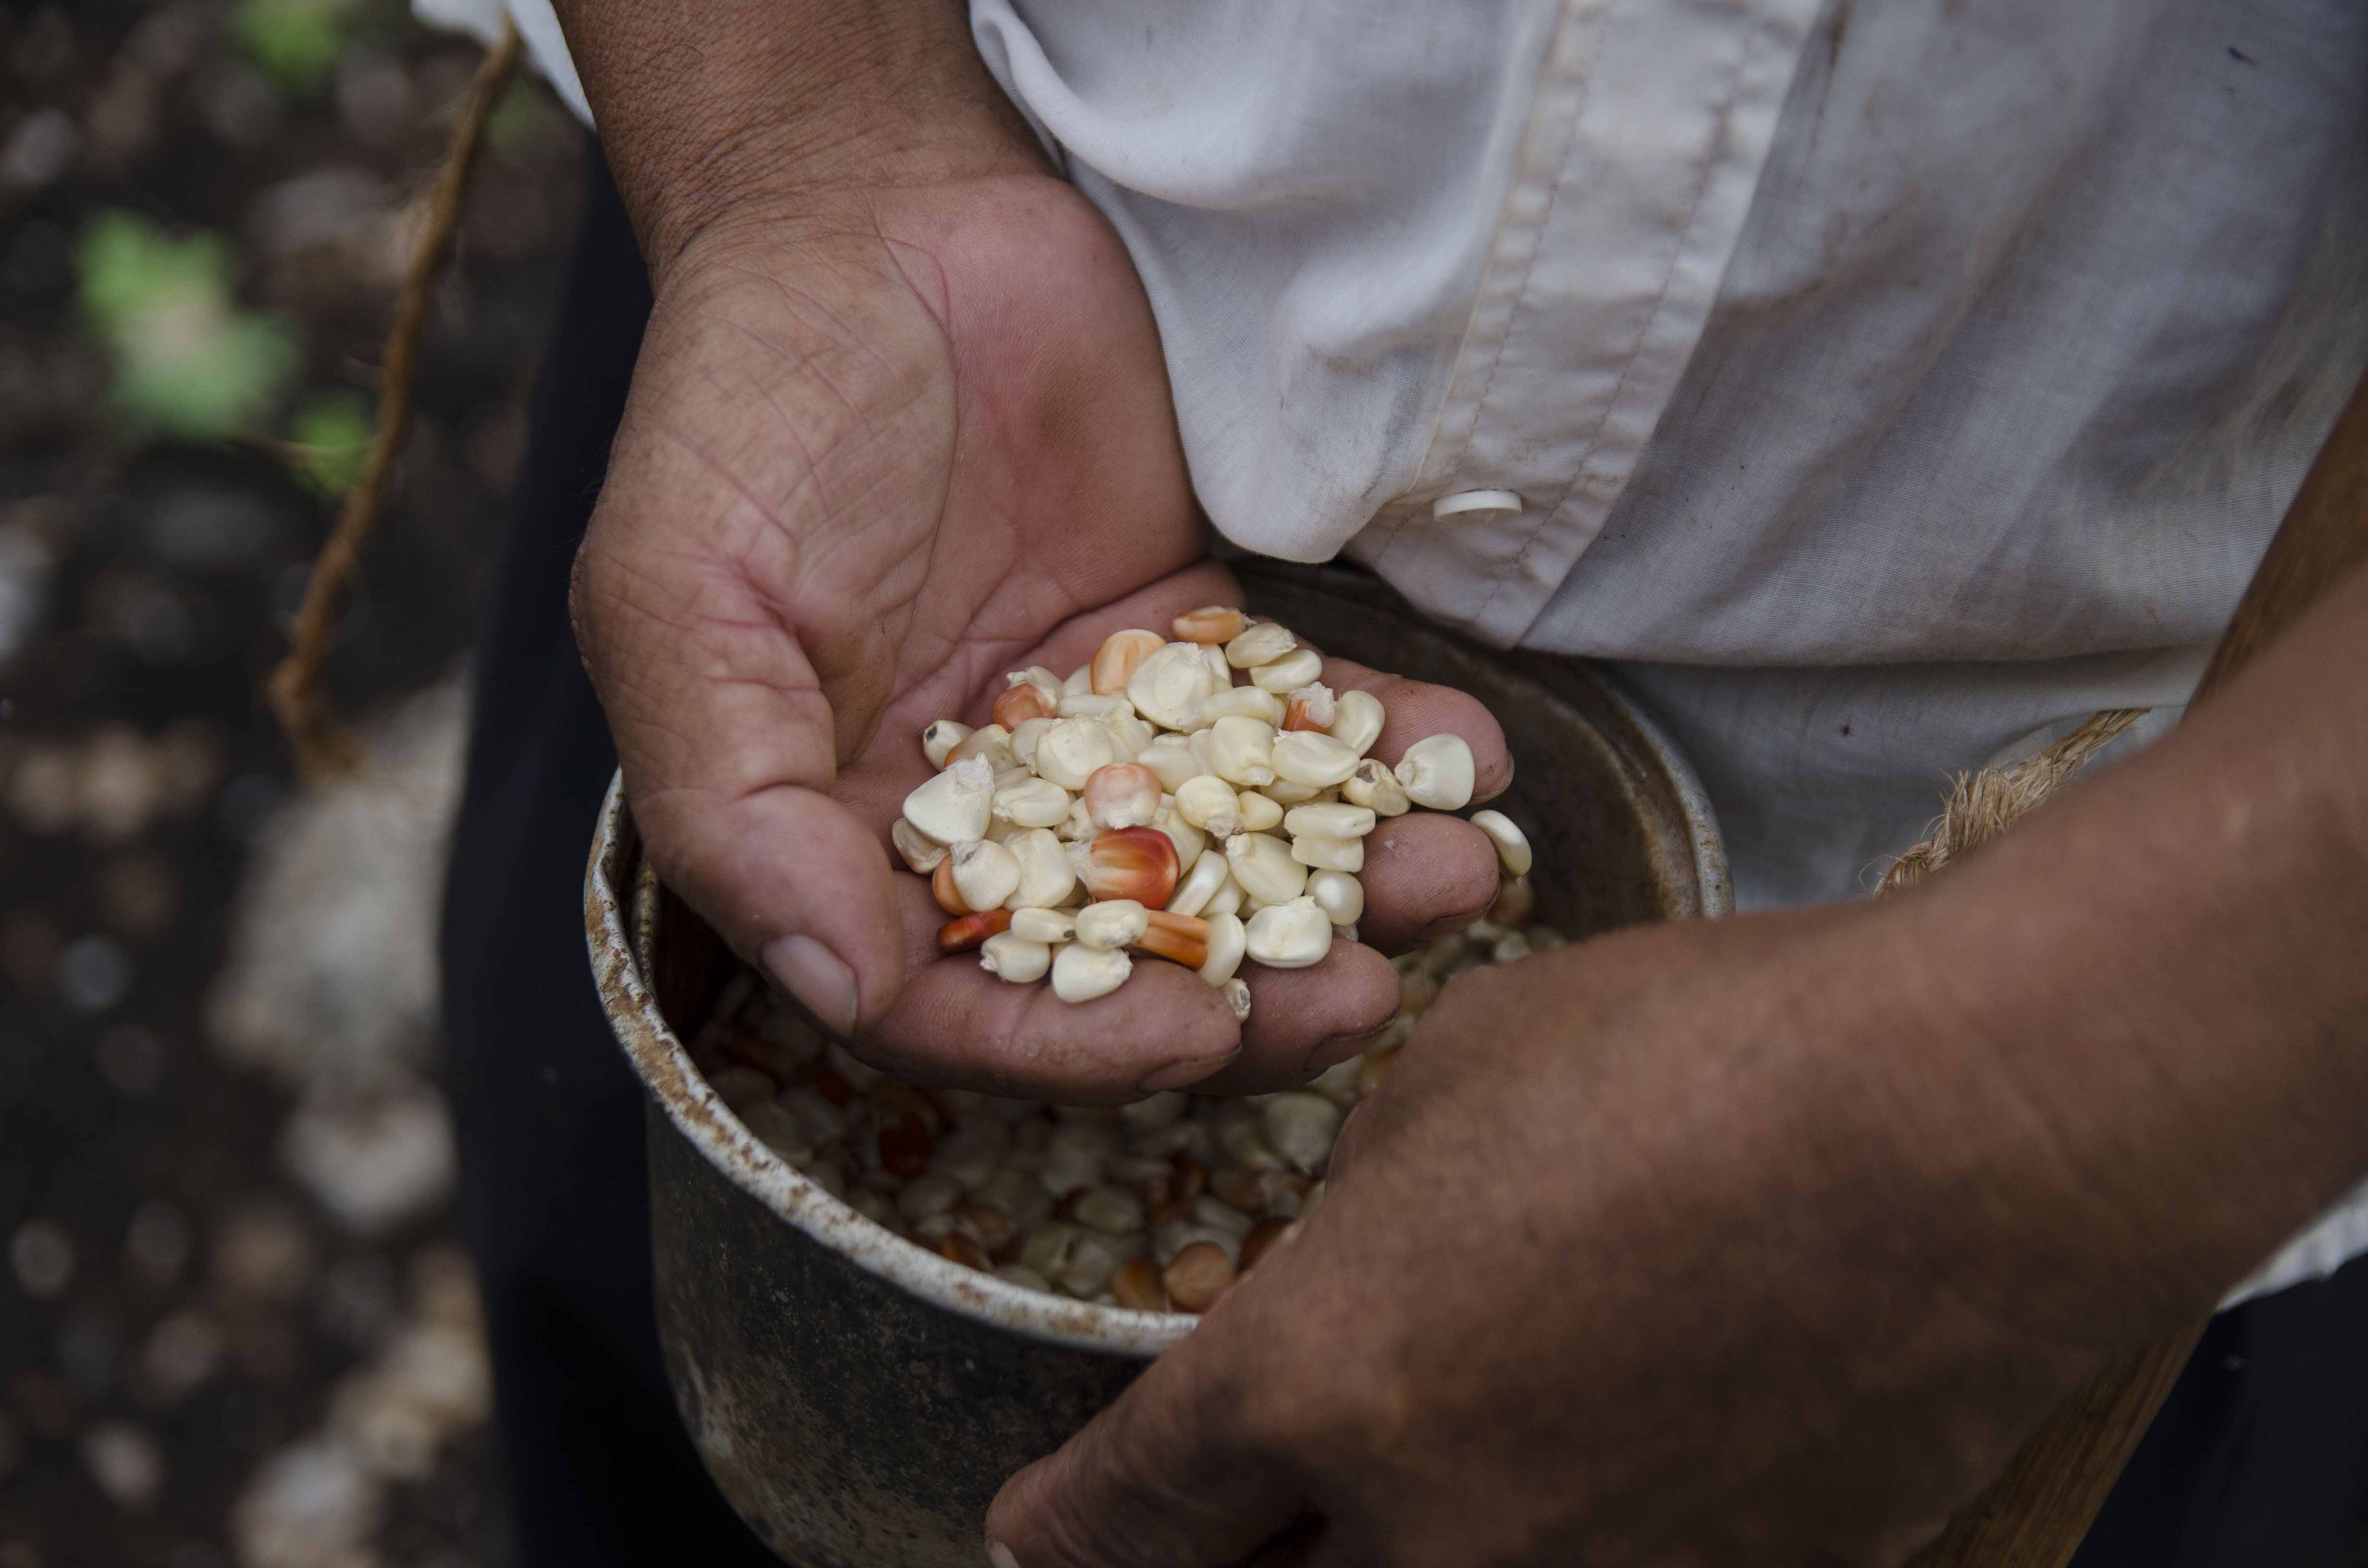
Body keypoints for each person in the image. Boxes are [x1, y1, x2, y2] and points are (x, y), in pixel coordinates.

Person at [432, 0, 2368, 1563]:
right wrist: (809, 135)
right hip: (898, 438)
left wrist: (2013, 1128)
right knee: (642, 1407)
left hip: (2181, 923)